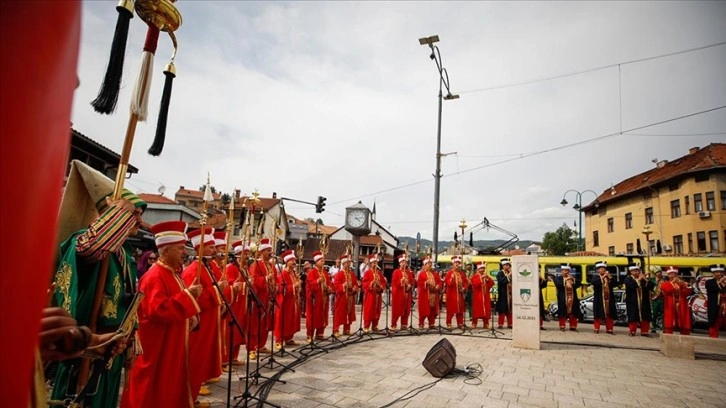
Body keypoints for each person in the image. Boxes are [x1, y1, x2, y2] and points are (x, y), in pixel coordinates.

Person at [51, 190, 147, 408]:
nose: (140, 222)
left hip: (113, 350)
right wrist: (119, 211)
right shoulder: (86, 241)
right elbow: (90, 248)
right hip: (85, 350)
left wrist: (131, 339)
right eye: (135, 214)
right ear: (113, 215)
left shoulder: (123, 254)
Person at [121, 221, 203, 408]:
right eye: (180, 248)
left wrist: (191, 314)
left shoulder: (172, 273)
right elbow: (157, 310)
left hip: (170, 341)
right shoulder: (154, 276)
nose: (185, 253)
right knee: (151, 386)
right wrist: (189, 296)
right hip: (156, 345)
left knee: (167, 384)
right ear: (165, 251)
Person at [181, 227, 224, 401]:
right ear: (200, 248)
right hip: (200, 323)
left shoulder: (207, 268)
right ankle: (189, 398)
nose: (214, 250)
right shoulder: (193, 270)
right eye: (211, 247)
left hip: (209, 321)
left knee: (203, 357)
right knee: (195, 359)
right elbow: (195, 299)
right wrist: (216, 290)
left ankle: (194, 395)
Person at [246, 238, 273, 359]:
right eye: (268, 250)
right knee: (254, 323)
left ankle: (261, 345)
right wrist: (267, 279)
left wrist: (275, 285)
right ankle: (251, 347)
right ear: (261, 252)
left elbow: (275, 280)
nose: (270, 253)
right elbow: (254, 281)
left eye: (271, 250)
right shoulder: (255, 265)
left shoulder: (271, 265)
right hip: (258, 299)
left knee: (265, 323)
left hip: (268, 298)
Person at [225, 241, 250, 364]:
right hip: (234, 304)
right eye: (245, 253)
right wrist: (243, 285)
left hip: (242, 304)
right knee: (232, 330)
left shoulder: (244, 269)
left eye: (248, 253)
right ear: (238, 255)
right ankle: (226, 358)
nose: (247, 256)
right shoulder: (231, 268)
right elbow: (229, 283)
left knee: (240, 329)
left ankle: (234, 357)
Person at [275, 250, 300, 349]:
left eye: (294, 260)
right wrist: (294, 286)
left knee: (291, 319)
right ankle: (279, 340)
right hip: (284, 301)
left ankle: (289, 338)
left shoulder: (293, 273)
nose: (294, 262)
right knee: (282, 319)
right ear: (287, 262)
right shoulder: (283, 274)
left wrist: (298, 286)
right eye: (292, 260)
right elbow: (282, 288)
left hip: (292, 300)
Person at [306, 251, 331, 341]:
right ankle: (310, 335)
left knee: (322, 315)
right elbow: (310, 285)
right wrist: (317, 281)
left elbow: (329, 283)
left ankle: (320, 333)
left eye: (323, 261)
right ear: (316, 262)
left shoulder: (325, 272)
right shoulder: (311, 272)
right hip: (315, 298)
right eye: (321, 261)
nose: (322, 262)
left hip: (324, 297)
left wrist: (329, 288)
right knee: (313, 316)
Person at [660, 266, 692, 335]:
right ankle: (668, 332)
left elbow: (687, 293)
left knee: (683, 319)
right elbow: (668, 290)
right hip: (670, 304)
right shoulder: (665, 284)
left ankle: (685, 333)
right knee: (670, 320)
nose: (673, 276)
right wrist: (673, 283)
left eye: (675, 274)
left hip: (681, 304)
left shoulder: (682, 284)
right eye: (671, 274)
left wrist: (685, 286)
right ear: (668, 275)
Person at [624, 264, 655, 336]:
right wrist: (639, 280)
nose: (637, 272)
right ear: (631, 272)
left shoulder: (642, 279)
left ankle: (644, 331)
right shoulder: (628, 279)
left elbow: (651, 286)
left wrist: (646, 279)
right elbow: (632, 286)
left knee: (645, 316)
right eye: (635, 271)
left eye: (638, 270)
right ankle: (632, 331)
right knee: (633, 317)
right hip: (633, 301)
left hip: (644, 301)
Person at [333, 255, 359, 336]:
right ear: (343, 264)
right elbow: (336, 286)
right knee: (339, 313)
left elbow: (356, 284)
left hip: (350, 297)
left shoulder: (352, 274)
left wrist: (355, 288)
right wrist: (343, 285)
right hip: (342, 297)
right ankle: (336, 330)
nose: (348, 264)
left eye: (349, 263)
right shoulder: (339, 274)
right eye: (347, 263)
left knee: (349, 313)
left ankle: (347, 329)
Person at [362, 254, 387, 332]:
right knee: (369, 310)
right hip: (370, 295)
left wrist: (381, 286)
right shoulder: (367, 273)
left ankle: (375, 326)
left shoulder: (379, 273)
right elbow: (364, 283)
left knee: (377, 310)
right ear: (370, 264)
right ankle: (366, 326)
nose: (375, 264)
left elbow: (383, 282)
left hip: (377, 295)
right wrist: (371, 283)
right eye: (373, 263)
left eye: (376, 262)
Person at [591, 261, 616, 334]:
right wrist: (602, 277)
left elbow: (615, 283)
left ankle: (609, 329)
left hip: (609, 299)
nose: (603, 270)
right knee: (598, 314)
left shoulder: (609, 277)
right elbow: (595, 283)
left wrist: (610, 277)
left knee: (609, 314)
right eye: (601, 269)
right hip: (599, 299)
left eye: (604, 268)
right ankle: (596, 328)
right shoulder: (595, 277)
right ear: (597, 270)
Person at [417, 257, 442, 330]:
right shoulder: (422, 274)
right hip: (425, 294)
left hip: (434, 295)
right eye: (428, 264)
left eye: (430, 264)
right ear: (424, 265)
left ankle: (431, 323)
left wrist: (438, 286)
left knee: (432, 310)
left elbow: (439, 282)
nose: (430, 265)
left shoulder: (435, 274)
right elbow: (419, 283)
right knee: (424, 310)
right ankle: (421, 323)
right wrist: (425, 283)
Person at [444, 256, 469, 329]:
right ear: (453, 264)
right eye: (456, 263)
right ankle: (449, 323)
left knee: (460, 310)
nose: (457, 265)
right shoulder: (449, 273)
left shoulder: (462, 273)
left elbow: (466, 283)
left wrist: (464, 288)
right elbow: (448, 283)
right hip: (452, 294)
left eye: (459, 263)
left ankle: (460, 323)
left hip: (460, 295)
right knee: (451, 309)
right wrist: (451, 278)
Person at [555, 264, 582, 332]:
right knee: (562, 313)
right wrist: (565, 280)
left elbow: (579, 284)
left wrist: (573, 279)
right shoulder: (558, 278)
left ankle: (573, 326)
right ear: (561, 271)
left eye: (567, 270)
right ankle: (562, 326)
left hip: (573, 298)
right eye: (565, 270)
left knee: (574, 312)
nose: (566, 272)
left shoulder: (572, 278)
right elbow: (558, 285)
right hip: (563, 298)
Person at [391, 254, 412, 331]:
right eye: (402, 262)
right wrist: (401, 281)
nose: (404, 263)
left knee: (406, 309)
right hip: (399, 294)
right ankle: (394, 324)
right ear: (399, 263)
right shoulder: (396, 272)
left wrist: (410, 285)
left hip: (407, 294)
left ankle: (404, 324)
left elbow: (412, 282)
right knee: (397, 309)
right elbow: (395, 283)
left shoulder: (409, 272)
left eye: (405, 262)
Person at [470, 262, 494, 329]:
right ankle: (474, 323)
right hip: (477, 296)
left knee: (486, 310)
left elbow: (492, 283)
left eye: (483, 268)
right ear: (478, 269)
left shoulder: (486, 276)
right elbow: (475, 284)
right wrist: (481, 279)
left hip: (486, 296)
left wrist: (487, 280)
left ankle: (486, 323)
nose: (483, 269)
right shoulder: (474, 277)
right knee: (476, 310)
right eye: (481, 268)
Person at [706, 264, 726, 338]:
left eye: (721, 272)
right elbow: (716, 289)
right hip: (715, 308)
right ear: (713, 273)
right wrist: (720, 282)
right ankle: (713, 340)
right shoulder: (709, 282)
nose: (719, 274)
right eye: (717, 272)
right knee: (714, 324)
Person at [496, 258, 514, 329]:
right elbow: (501, 282)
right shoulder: (500, 273)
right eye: (506, 265)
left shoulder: (511, 273)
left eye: (508, 265)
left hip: (510, 294)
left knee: (510, 310)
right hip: (503, 294)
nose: (508, 267)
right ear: (503, 266)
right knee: (502, 310)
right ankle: (500, 324)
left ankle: (510, 324)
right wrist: (509, 275)